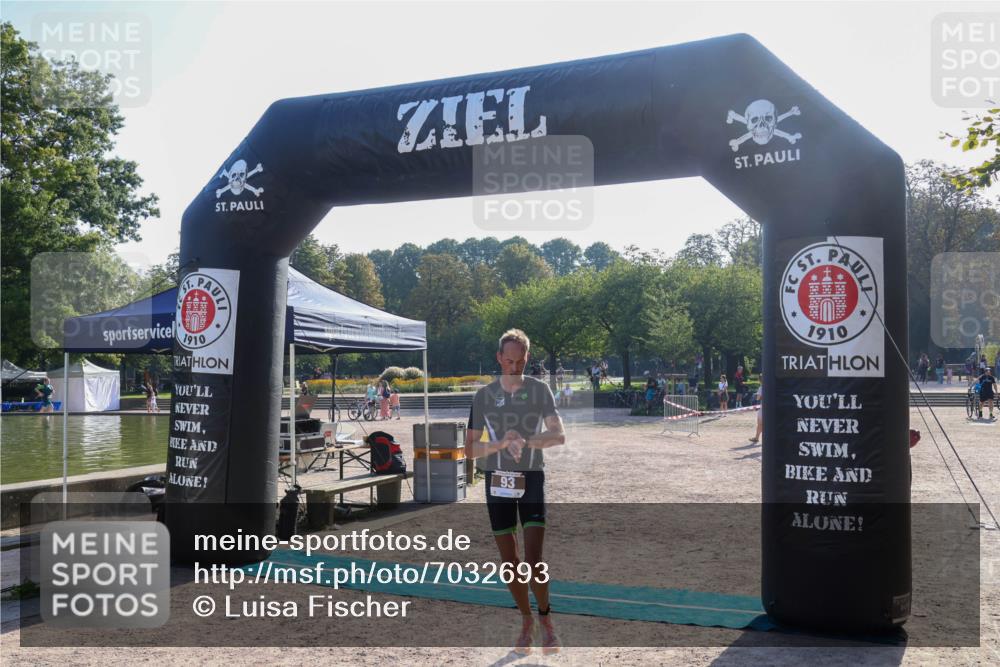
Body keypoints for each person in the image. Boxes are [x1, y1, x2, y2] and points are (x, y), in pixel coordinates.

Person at [465, 329, 565, 655]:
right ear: (498, 358)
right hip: (498, 481)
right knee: (510, 562)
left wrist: (528, 442)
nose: (514, 366)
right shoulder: (483, 397)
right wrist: (500, 444)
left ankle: (546, 619)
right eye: (509, 360)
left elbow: (558, 435)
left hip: (531, 478)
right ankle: (526, 621)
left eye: (520, 361)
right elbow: (469, 450)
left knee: (534, 561)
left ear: (527, 358)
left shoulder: (539, 391)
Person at [749, 374, 763, 443]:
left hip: (763, 408)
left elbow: (758, 398)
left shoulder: (761, 387)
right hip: (769, 407)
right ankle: (757, 437)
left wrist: (756, 395)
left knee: (760, 423)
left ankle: (757, 438)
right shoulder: (770, 385)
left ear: (759, 380)